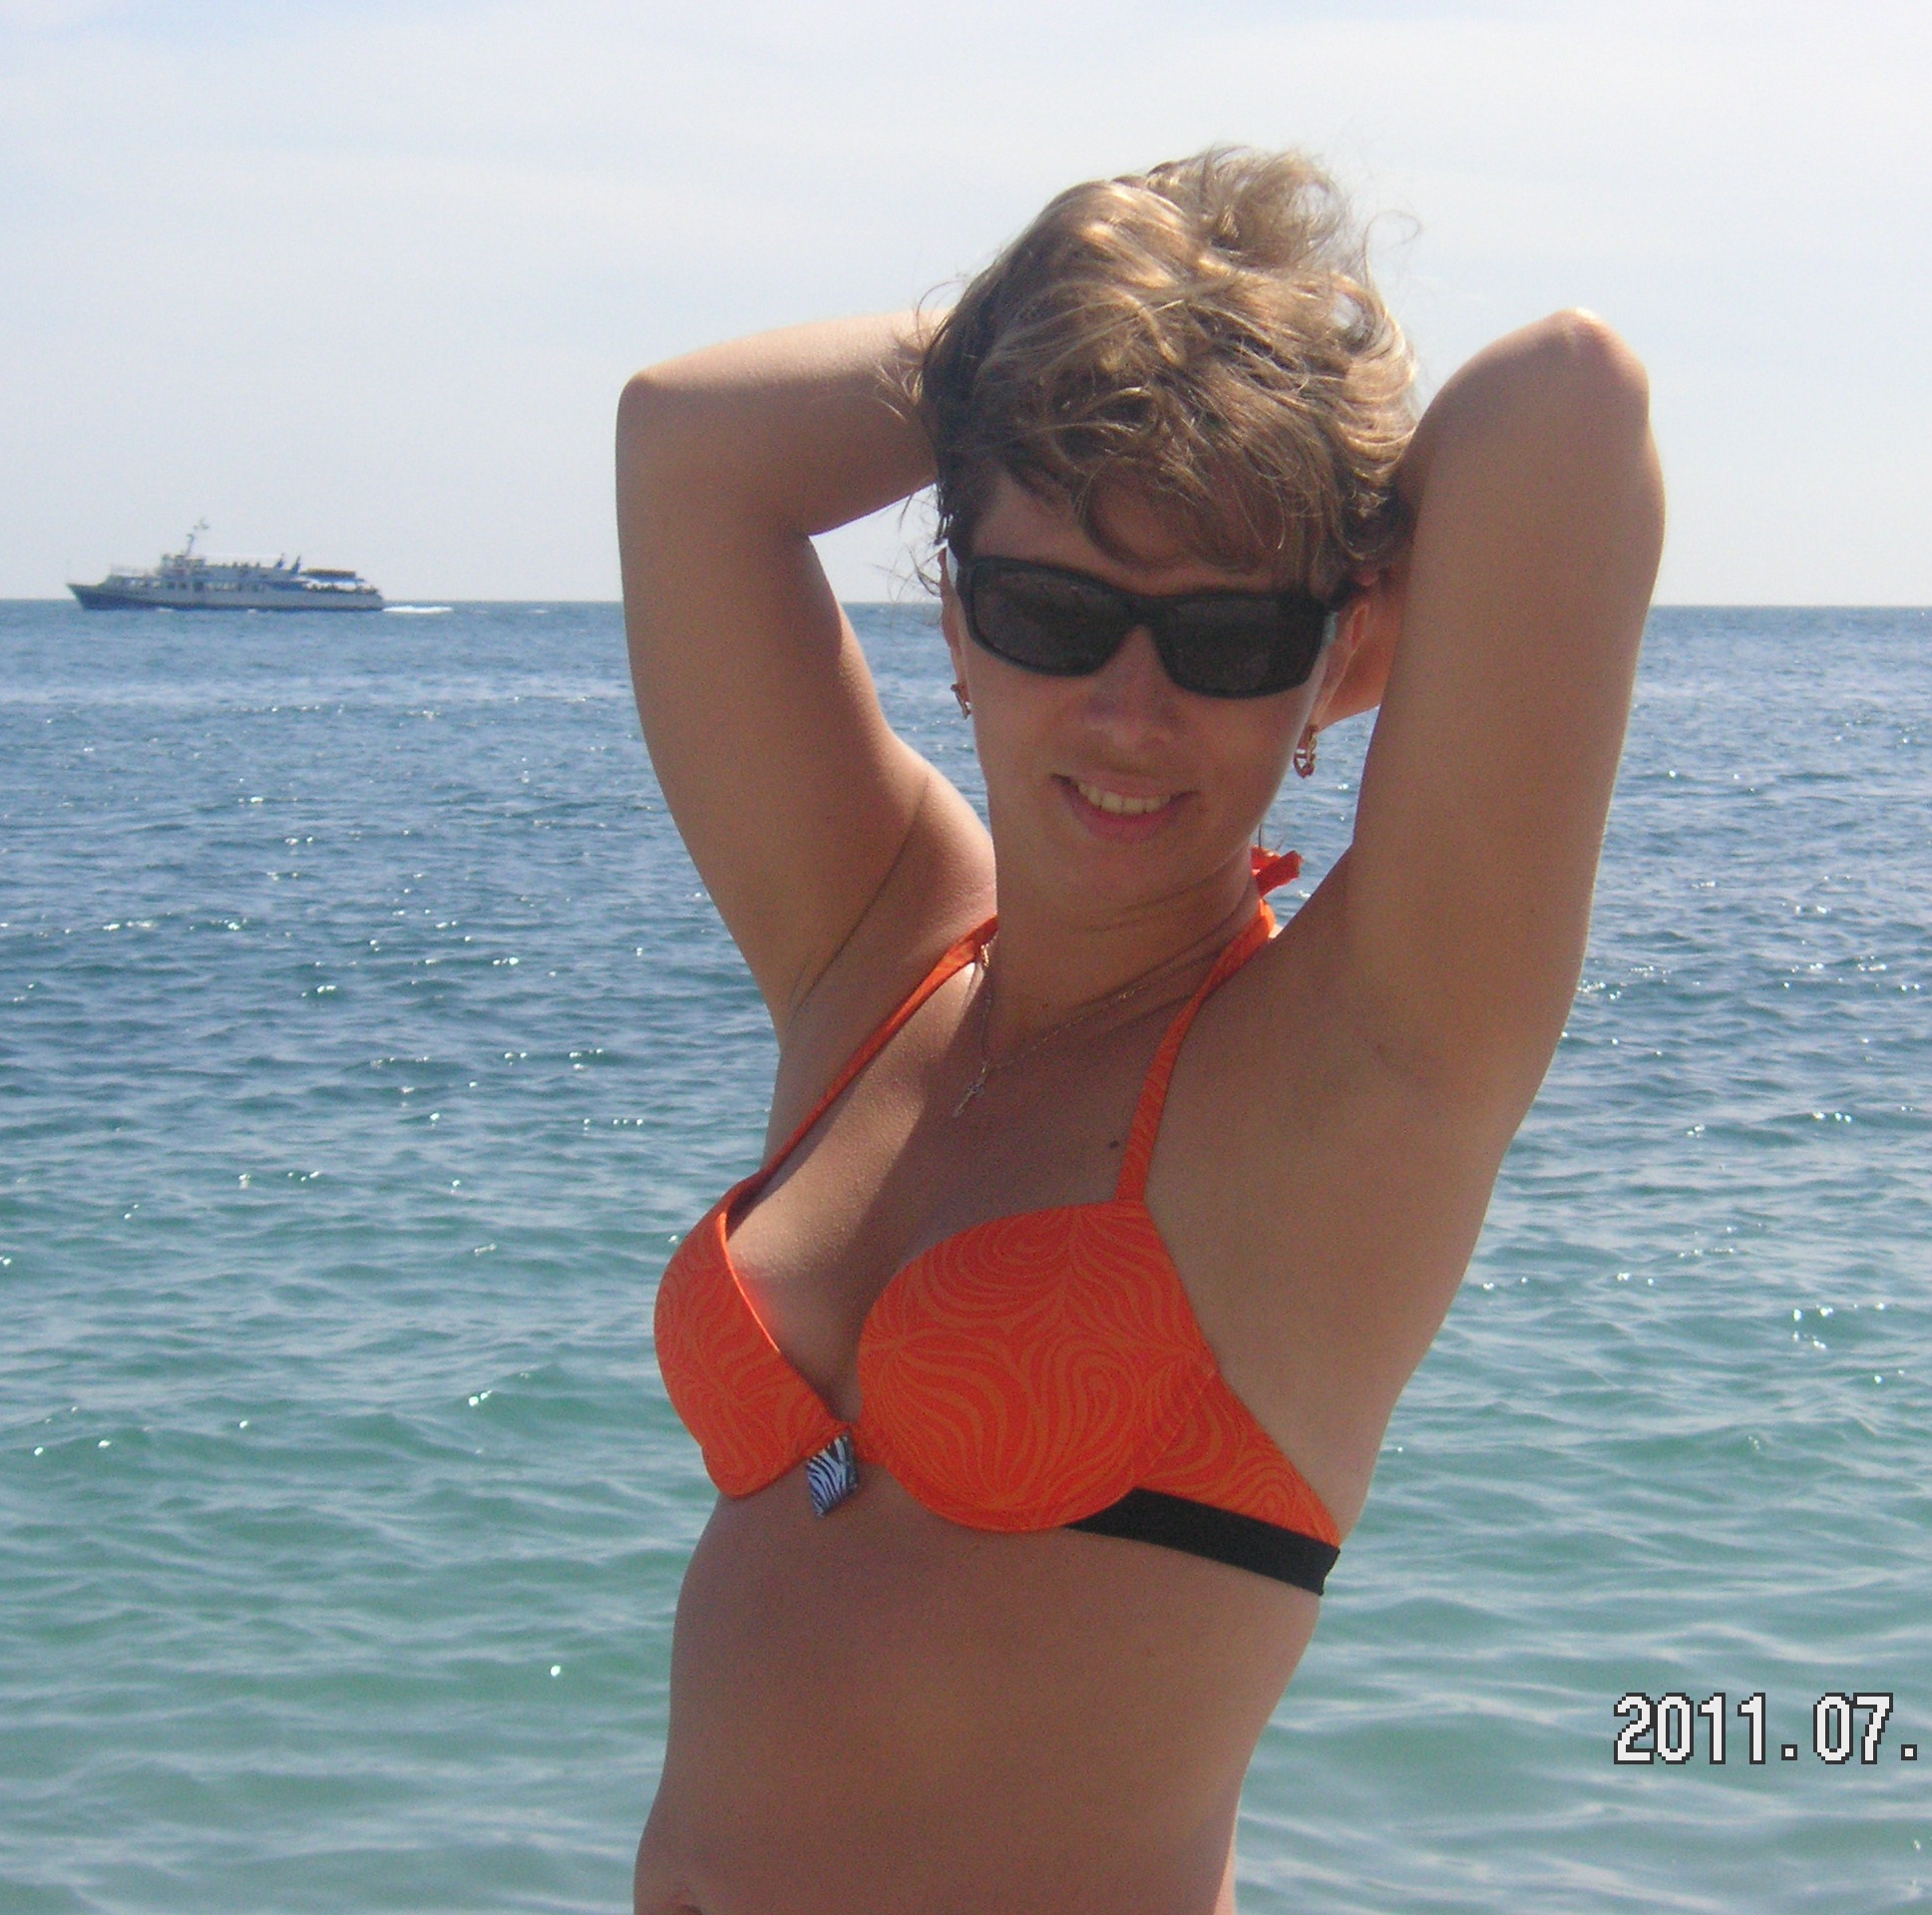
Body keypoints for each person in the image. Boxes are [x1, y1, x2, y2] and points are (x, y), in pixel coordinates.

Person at [616, 148, 1663, 1915]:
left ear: (1339, 659)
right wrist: (1060, 356)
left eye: (1226, 639)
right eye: (1052, 612)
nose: (1129, 709)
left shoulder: (1358, 1069)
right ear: (958, 623)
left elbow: (1569, 402)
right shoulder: (877, 955)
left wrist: (1231, 377)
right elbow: (683, 448)